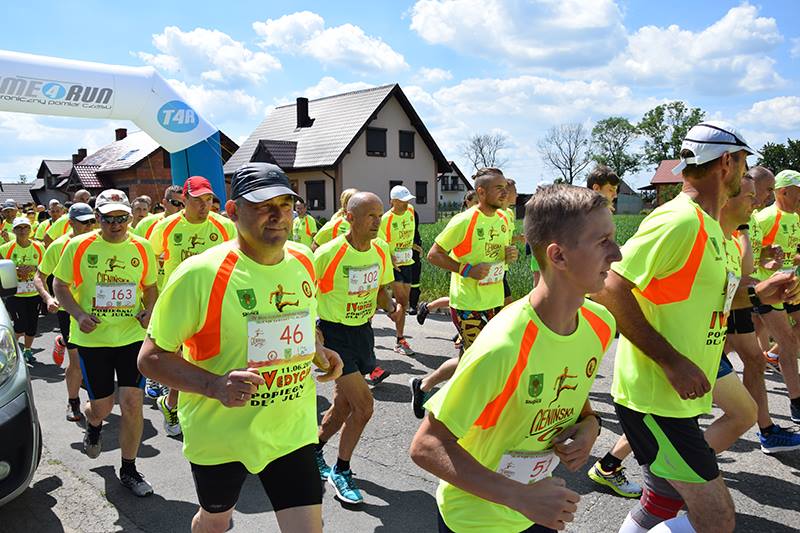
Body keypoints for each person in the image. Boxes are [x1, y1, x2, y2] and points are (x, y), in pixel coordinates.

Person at [592, 122, 796, 533]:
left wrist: (761, 295)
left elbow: (712, 299)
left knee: (661, 502)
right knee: (717, 518)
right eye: (745, 162)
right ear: (726, 162)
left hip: (677, 398)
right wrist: (672, 362)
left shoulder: (712, 227)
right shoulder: (679, 221)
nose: (747, 173)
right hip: (656, 398)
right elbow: (609, 287)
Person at [138, 162, 343, 533]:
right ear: (232, 211)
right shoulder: (200, 274)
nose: (278, 216)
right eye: (264, 206)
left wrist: (318, 350)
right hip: (221, 436)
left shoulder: (303, 260)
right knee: (215, 522)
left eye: (286, 204)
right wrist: (214, 385)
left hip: (291, 431)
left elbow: (301, 323)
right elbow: (151, 358)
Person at [410, 184, 619, 532]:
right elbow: (426, 446)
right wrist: (518, 497)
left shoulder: (600, 325)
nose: (617, 254)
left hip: (537, 509)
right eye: (603, 242)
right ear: (558, 256)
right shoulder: (503, 345)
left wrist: (590, 428)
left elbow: (573, 396)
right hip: (476, 521)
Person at [53, 189, 158, 497]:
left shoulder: (142, 246)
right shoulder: (79, 246)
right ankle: (93, 422)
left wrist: (148, 311)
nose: (116, 225)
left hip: (130, 336)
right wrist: (78, 313)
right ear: (97, 218)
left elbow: (150, 287)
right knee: (102, 406)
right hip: (93, 337)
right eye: (109, 219)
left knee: (132, 402)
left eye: (122, 218)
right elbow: (60, 284)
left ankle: (129, 469)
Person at [315, 191, 402, 504]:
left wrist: (390, 305)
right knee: (364, 406)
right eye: (370, 215)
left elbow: (380, 288)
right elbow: (305, 294)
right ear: (349, 218)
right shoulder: (328, 253)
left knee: (344, 406)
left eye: (380, 215)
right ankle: (342, 470)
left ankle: (313, 451)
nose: (377, 222)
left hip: (363, 333)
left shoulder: (380, 249)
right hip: (334, 336)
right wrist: (315, 337)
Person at [410, 168, 517, 419]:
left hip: (496, 301)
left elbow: (496, 258)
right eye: (498, 188)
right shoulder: (464, 221)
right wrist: (466, 269)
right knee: (477, 362)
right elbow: (434, 254)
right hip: (469, 303)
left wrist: (508, 255)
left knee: (469, 359)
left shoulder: (503, 219)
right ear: (481, 192)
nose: (505, 192)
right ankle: (460, 416)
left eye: (505, 187)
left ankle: (424, 385)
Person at [148, 176, 237, 436]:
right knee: (180, 360)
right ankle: (174, 404)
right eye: (198, 200)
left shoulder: (224, 227)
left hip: (217, 300)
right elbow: (151, 256)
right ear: (183, 200)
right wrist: (154, 297)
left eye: (208, 200)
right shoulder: (165, 227)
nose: (204, 205)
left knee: (214, 358)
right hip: (179, 302)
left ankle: (182, 405)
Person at [726, 167, 800, 452]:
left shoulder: (751, 219)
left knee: (753, 360)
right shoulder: (744, 216)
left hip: (751, 295)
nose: (764, 198)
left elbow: (752, 257)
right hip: (739, 297)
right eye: (764, 191)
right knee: (766, 351)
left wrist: (768, 258)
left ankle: (767, 429)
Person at [585, 165, 641, 499]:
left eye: (616, 188)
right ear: (595, 186)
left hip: (596, 296)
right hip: (587, 297)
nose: (615, 193)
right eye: (610, 187)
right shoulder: (585, 213)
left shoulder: (603, 214)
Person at [34, 203, 97, 422]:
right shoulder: (59, 246)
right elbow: (39, 276)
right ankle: (73, 402)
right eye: (84, 222)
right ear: (70, 223)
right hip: (69, 310)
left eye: (92, 221)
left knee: (96, 359)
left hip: (98, 310)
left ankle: (95, 402)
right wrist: (48, 297)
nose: (90, 226)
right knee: (77, 361)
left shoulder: (102, 242)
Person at [751, 169, 800, 424]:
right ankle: (795, 403)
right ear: (784, 191)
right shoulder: (765, 217)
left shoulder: (795, 219)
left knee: (785, 337)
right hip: (764, 288)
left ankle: (771, 354)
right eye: (799, 192)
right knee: (787, 339)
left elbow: (792, 253)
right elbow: (752, 254)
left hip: (787, 285)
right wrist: (766, 261)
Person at [379, 185, 418, 355]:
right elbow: (381, 242)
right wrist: (390, 258)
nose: (406, 204)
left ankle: (390, 309)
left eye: (407, 200)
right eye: (402, 201)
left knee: (405, 302)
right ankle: (399, 339)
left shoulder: (410, 211)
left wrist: (414, 244)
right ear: (393, 201)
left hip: (408, 261)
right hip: (393, 264)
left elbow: (412, 232)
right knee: (401, 299)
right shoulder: (386, 219)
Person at [0, 217, 44, 363]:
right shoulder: (6, 248)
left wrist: (34, 268)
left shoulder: (39, 247)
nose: (23, 231)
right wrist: (15, 270)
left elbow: (46, 268)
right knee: (20, 325)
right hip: (15, 293)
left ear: (30, 230)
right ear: (14, 230)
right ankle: (7, 348)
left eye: (26, 227)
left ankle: (27, 350)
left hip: (34, 292)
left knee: (32, 325)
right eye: (19, 228)